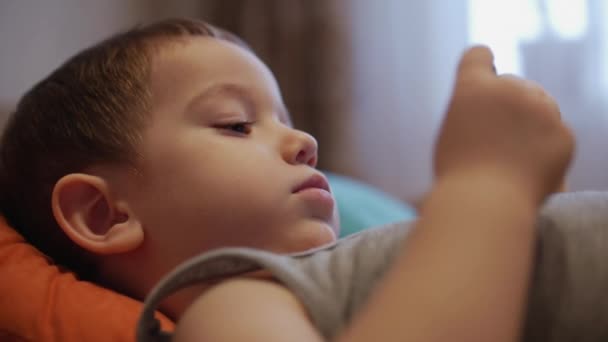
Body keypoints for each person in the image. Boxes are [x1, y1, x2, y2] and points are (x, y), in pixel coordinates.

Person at [0, 17, 581, 341]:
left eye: (288, 120)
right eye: (236, 123)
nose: (304, 143)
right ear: (105, 215)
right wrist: (489, 183)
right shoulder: (232, 309)